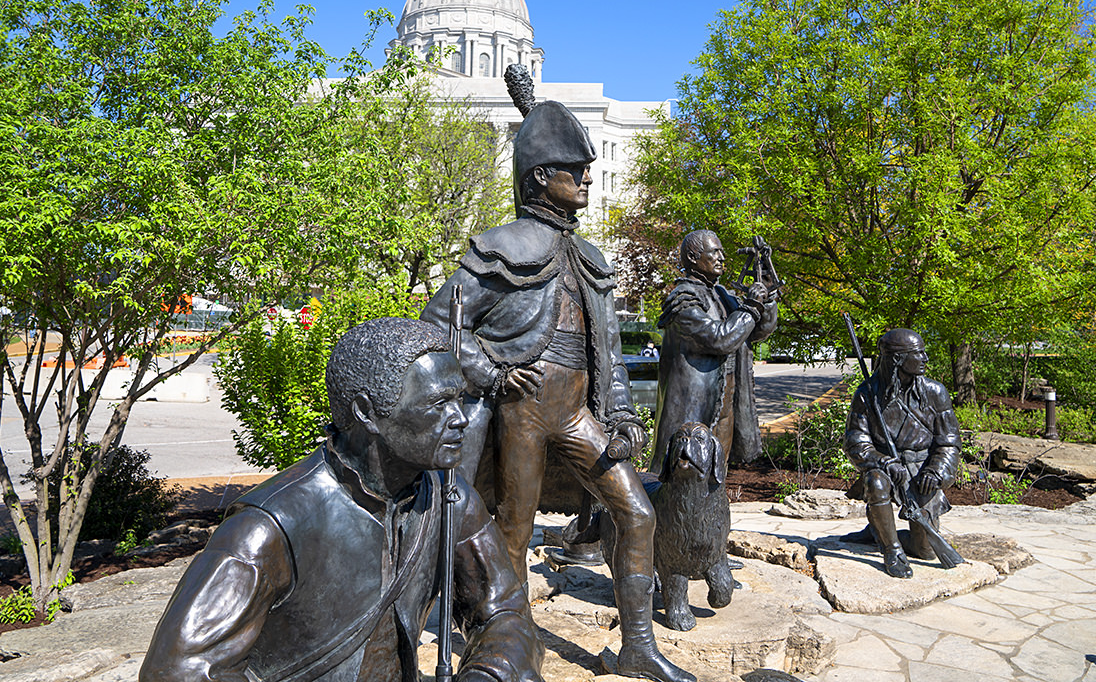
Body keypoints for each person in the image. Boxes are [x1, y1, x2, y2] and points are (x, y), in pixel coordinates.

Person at [422, 78, 694, 682]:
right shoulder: (499, 248)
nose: (590, 179)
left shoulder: (589, 257)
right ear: (543, 176)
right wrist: (489, 372)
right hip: (520, 415)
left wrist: (620, 414)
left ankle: (637, 647)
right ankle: (513, 651)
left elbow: (609, 350)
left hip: (576, 415)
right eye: (578, 169)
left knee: (638, 513)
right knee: (513, 537)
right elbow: (438, 327)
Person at [139, 318, 543, 682]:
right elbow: (176, 671)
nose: (461, 418)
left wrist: (487, 675)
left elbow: (505, 613)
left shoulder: (451, 498)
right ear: (367, 412)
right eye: (439, 404)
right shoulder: (265, 530)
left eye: (460, 399)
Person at [647, 230, 777, 473]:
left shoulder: (724, 296)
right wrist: (751, 307)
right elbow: (720, 339)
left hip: (725, 399)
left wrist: (766, 300)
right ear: (694, 257)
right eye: (714, 252)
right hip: (695, 404)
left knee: (718, 470)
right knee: (684, 471)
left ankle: (711, 510)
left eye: (722, 252)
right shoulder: (684, 299)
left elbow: (756, 331)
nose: (722, 257)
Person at [845, 327, 961, 578]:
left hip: (922, 471)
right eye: (918, 354)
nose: (925, 359)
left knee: (926, 550)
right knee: (875, 481)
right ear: (898, 359)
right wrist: (884, 462)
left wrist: (936, 471)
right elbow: (856, 442)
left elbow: (949, 442)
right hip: (886, 469)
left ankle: (879, 529)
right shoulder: (866, 394)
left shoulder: (935, 392)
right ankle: (892, 549)